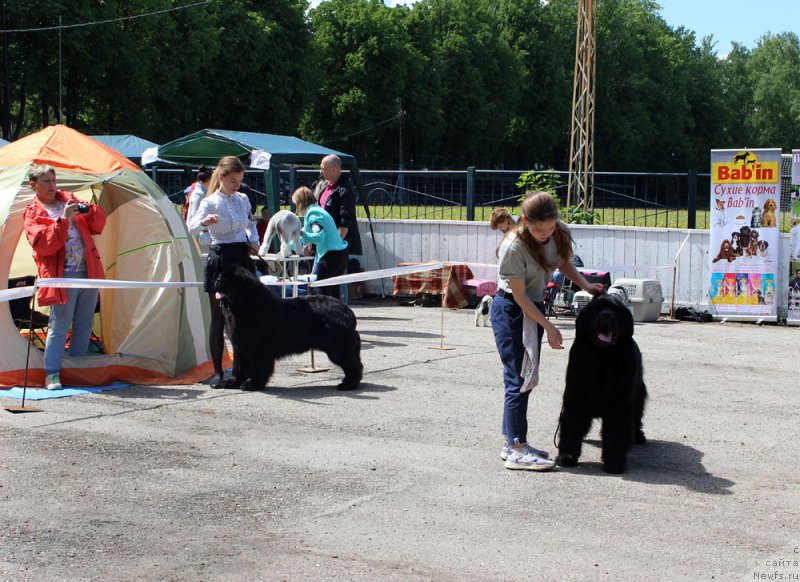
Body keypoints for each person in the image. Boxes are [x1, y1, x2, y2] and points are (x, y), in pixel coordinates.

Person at [491, 191, 603, 471]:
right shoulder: (513, 247)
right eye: (539, 229)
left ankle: (512, 443)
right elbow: (519, 297)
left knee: (524, 377)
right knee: (518, 379)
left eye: (550, 227)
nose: (545, 234)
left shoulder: (559, 232)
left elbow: (563, 262)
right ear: (525, 220)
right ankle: (517, 448)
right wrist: (550, 327)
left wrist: (585, 284)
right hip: (512, 310)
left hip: (534, 307)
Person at [23, 164, 107, 389]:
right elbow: (45, 245)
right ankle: (51, 373)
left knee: (84, 323)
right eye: (46, 181)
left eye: (53, 180)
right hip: (61, 277)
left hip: (87, 272)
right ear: (34, 185)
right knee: (60, 325)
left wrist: (89, 211)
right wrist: (64, 219)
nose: (52, 185)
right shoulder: (33, 213)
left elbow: (98, 224)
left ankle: (78, 370)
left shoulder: (68, 198)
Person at [187, 156, 259, 389]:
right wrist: (205, 222)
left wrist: (255, 241)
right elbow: (191, 227)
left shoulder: (243, 199)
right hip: (220, 260)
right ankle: (217, 371)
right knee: (219, 318)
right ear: (222, 178)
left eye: (240, 181)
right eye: (233, 181)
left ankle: (243, 370)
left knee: (246, 318)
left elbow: (250, 223)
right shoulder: (209, 202)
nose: (237, 185)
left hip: (242, 258)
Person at [318, 155, 361, 303]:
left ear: (334, 169)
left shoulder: (345, 190)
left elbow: (345, 222)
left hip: (334, 248)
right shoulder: (325, 187)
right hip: (322, 246)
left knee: (323, 287)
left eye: (323, 168)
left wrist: (334, 245)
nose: (320, 171)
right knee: (330, 288)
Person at [292, 186, 348, 300]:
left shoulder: (313, 215)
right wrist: (288, 247)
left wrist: (302, 234)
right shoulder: (318, 211)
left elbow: (319, 237)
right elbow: (307, 236)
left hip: (331, 256)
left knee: (322, 292)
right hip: (340, 254)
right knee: (334, 292)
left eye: (295, 204)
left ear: (300, 203)